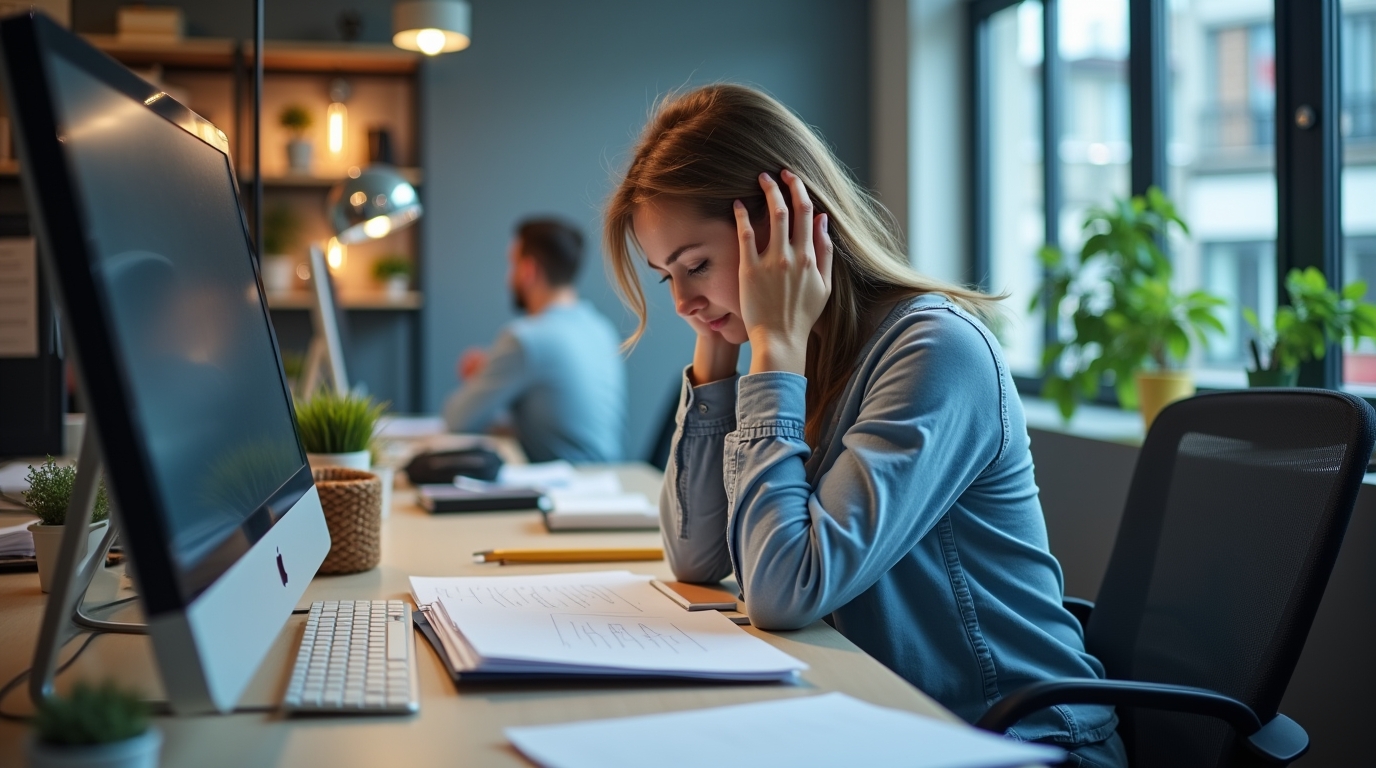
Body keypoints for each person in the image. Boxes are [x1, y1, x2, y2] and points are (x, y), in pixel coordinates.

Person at [603, 85, 1126, 767]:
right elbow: (699, 556)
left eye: (696, 265)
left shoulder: (936, 352)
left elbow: (783, 591)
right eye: (666, 276)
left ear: (783, 227)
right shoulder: (800, 353)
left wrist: (772, 349)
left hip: (1018, 738)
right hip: (892, 723)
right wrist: (720, 350)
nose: (682, 302)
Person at [444, 217, 625, 463]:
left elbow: (457, 419)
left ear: (528, 270)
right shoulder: (601, 329)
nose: (509, 278)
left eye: (512, 264)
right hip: (610, 478)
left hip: (567, 488)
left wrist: (482, 373)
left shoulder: (526, 339)